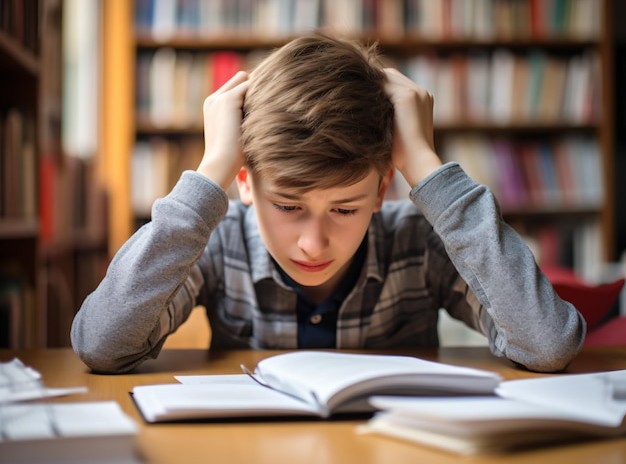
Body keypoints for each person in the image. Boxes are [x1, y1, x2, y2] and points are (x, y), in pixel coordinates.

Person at [71, 33, 585, 374]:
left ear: (383, 189)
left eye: (344, 209)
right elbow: (101, 344)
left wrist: (427, 166)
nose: (313, 244)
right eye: (289, 206)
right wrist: (212, 170)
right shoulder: (213, 244)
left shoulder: (418, 244)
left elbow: (547, 343)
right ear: (244, 183)